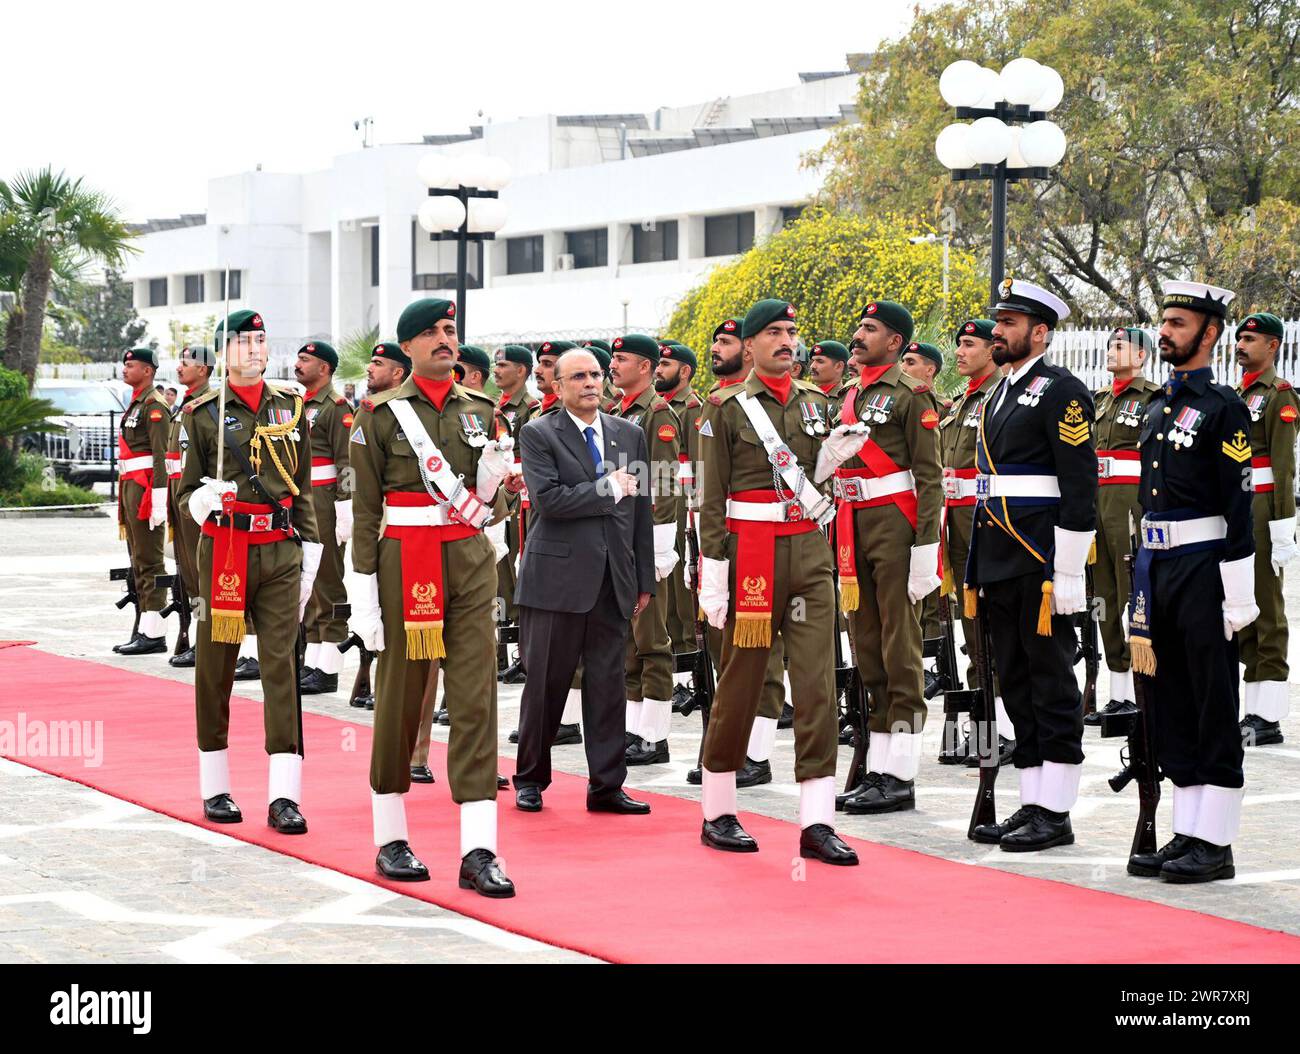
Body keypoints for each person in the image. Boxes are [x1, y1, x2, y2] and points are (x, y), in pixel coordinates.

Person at [346, 297, 517, 897]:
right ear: (409, 347)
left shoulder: (485, 411)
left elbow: (498, 502)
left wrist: (497, 487)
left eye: (451, 330)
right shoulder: (380, 417)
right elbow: (365, 512)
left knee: (476, 697)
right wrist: (362, 593)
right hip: (405, 565)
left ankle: (479, 849)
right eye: (434, 332)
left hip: (471, 563)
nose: (448, 339)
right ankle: (391, 834)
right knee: (401, 695)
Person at [696, 298, 857, 864]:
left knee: (817, 685)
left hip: (809, 555)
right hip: (751, 557)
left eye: (791, 330)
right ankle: (718, 808)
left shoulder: (818, 403)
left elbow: (814, 487)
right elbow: (711, 499)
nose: (786, 340)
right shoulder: (726, 410)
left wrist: (833, 462)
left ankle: (817, 821)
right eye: (772, 332)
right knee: (742, 681)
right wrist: (712, 574)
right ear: (748, 343)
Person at [1124, 281, 1257, 882]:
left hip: (1206, 567)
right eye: (1165, 322)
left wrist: (1239, 588)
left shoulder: (1224, 406)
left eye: (1178, 324)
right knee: (1171, 698)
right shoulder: (1157, 406)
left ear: (1209, 334)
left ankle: (1218, 841)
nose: (1165, 332)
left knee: (1212, 698)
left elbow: (1238, 500)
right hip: (1160, 567)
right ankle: (1189, 831)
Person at [178, 308, 321, 833]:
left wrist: (312, 550)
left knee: (280, 662)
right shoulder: (202, 413)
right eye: (243, 341)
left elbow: (300, 484)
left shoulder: (291, 405)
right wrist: (202, 499)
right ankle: (215, 783)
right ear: (224, 354)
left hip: (280, 549)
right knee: (217, 662)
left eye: (261, 339)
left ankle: (285, 794)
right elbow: (183, 489)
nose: (255, 349)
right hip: (227, 550)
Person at [966, 279, 1096, 852]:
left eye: (1011, 323)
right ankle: (1033, 800)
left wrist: (1067, 571)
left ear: (1039, 332)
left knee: (1050, 679)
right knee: (1014, 680)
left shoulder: (1063, 390)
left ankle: (1058, 809)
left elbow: (1078, 484)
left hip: (1040, 556)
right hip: (999, 553)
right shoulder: (998, 392)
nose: (999, 330)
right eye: (999, 320)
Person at [512, 348, 655, 815]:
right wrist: (607, 488)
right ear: (557, 386)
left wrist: (643, 578)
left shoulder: (629, 434)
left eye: (596, 374)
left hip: (613, 579)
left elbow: (641, 512)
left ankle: (607, 785)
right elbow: (548, 500)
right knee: (547, 684)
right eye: (578, 376)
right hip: (556, 580)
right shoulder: (538, 432)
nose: (591, 382)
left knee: (608, 685)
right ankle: (531, 778)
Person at [834, 306, 944, 816]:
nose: (858, 336)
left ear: (895, 341)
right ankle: (879, 766)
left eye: (870, 330)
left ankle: (901, 774)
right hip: (854, 528)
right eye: (858, 328)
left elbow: (929, 476)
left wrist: (926, 545)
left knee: (901, 652)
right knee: (869, 649)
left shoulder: (912, 395)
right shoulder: (849, 395)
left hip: (897, 530)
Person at [686, 318, 788, 787]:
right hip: (727, 538)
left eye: (724, 341)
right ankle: (730, 745)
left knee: (762, 655)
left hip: (770, 541)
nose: (714, 348)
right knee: (728, 654)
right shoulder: (716, 405)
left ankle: (756, 752)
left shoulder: (765, 403)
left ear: (746, 350)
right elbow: (707, 487)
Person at [936, 320, 1015, 761]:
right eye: (959, 343)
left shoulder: (999, 397)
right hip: (958, 524)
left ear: (991, 350)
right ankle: (984, 723)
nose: (960, 351)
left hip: (988, 521)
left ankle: (1004, 728)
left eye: (970, 344)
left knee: (994, 625)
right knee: (972, 625)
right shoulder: (960, 404)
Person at [606, 334, 682, 764]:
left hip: (646, 541)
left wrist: (659, 548)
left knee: (652, 640)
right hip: (621, 538)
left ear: (647, 367)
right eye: (613, 358)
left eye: (622, 359)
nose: (613, 365)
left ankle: (655, 735)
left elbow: (666, 482)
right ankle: (634, 729)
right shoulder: (619, 412)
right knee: (629, 642)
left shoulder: (657, 414)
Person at [1086, 327, 1160, 726]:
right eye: (1110, 345)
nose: (1112, 351)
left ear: (1143, 355)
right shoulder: (1098, 400)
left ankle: (1143, 690)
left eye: (1121, 345)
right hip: (1098, 503)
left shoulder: (1153, 399)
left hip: (1132, 503)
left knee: (1135, 593)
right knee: (1104, 597)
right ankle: (1118, 694)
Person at [1233, 312, 1298, 746]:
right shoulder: (1233, 395)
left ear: (1272, 345)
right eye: (1238, 337)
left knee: (1266, 609)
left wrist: (1281, 528)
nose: (1241, 344)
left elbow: (1283, 468)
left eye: (1250, 338)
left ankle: (1268, 714)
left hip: (1261, 507)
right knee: (1241, 609)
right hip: (1234, 508)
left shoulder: (1279, 395)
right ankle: (1251, 707)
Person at [294, 341, 354, 694]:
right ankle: (313, 658)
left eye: (306, 359)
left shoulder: (336, 407)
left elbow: (347, 461)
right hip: (305, 501)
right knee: (310, 581)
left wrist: (345, 505)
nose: (298, 364)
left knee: (328, 581)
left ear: (326, 368)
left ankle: (329, 667)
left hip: (325, 502)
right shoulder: (299, 405)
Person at [114, 347, 171, 655]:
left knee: (150, 561)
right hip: (131, 488)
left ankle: (155, 631)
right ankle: (144, 627)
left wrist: (160, 499)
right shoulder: (136, 403)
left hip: (147, 490)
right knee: (138, 561)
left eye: (131, 365)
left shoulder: (154, 405)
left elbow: (162, 455)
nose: (125, 369)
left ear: (148, 370)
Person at [655, 342, 703, 701]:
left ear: (684, 371)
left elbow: (699, 466)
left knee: (683, 599)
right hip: (664, 505)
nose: (658, 369)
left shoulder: (692, 409)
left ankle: (688, 678)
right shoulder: (660, 408)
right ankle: (673, 674)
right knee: (666, 593)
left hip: (687, 507)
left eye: (665, 364)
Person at [897, 339, 948, 663]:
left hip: (934, 502)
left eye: (912, 362)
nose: (904, 367)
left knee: (933, 590)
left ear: (929, 369)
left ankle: (934, 660)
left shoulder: (940, 407)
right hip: (905, 502)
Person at [165, 345, 213, 668]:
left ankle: (205, 639)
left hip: (194, 496)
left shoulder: (207, 406)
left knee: (201, 573)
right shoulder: (183, 405)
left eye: (188, 362)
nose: (180, 367)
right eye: (180, 361)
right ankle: (195, 633)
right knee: (188, 574)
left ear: (205, 369)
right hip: (178, 493)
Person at [809, 340, 851, 408]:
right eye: (812, 361)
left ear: (839, 366)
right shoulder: (806, 396)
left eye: (820, 361)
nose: (812, 366)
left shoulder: (847, 400)